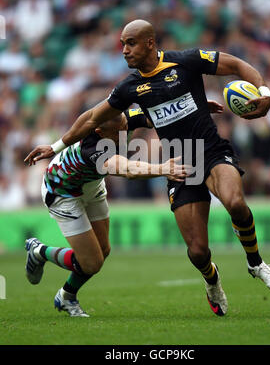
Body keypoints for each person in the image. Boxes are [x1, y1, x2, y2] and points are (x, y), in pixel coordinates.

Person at [25, 19, 270, 317]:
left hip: (211, 151)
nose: (124, 50)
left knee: (236, 203)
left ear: (150, 42)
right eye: (122, 44)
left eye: (130, 43)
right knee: (197, 252)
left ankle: (256, 264)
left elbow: (236, 65)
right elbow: (98, 127)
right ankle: (211, 280)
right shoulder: (122, 100)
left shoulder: (185, 61)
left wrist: (264, 93)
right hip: (161, 168)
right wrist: (55, 146)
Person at [25, 109, 189, 317]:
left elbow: (156, 113)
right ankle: (39, 251)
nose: (124, 131)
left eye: (124, 126)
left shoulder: (123, 118)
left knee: (104, 250)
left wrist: (194, 109)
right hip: (64, 192)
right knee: (92, 263)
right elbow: (126, 169)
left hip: (91, 186)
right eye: (117, 130)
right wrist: (163, 168)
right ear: (99, 131)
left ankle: (66, 296)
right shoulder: (92, 148)